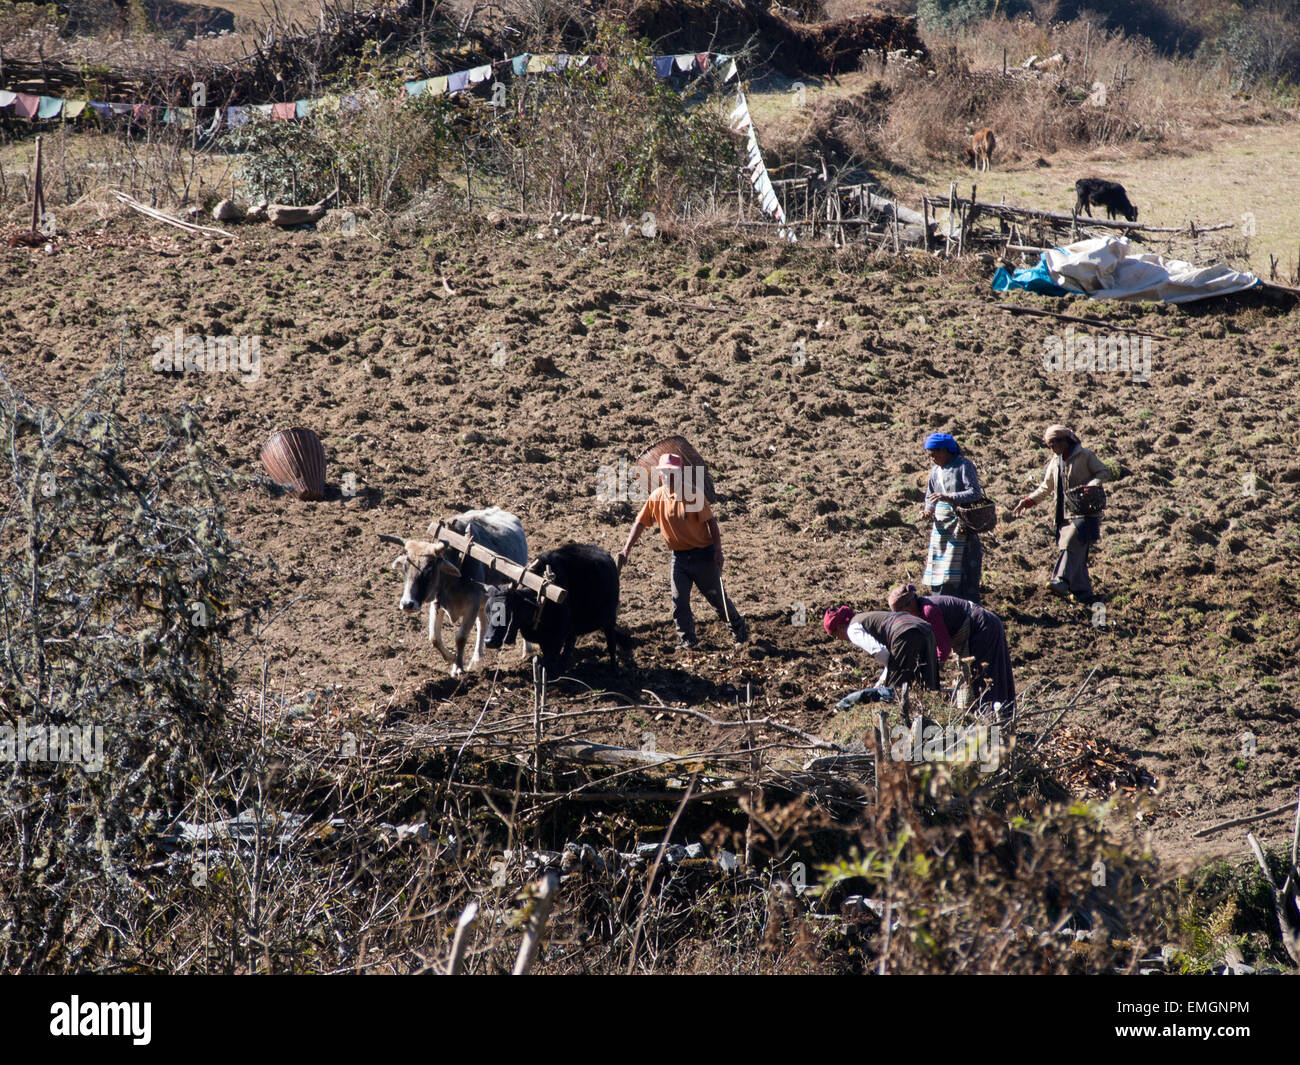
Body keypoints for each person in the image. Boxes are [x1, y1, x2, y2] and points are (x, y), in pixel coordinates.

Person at [618, 453, 748, 649]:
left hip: (702, 554)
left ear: (679, 474)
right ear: (660, 474)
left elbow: (711, 523)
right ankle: (687, 639)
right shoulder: (656, 497)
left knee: (716, 597)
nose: (668, 476)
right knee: (679, 600)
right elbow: (640, 523)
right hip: (678, 558)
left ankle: (738, 629)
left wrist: (718, 551)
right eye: (664, 473)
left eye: (672, 473)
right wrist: (626, 549)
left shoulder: (693, 494)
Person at [1011, 425, 1110, 602]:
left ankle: (1061, 580)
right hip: (1064, 512)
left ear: (1064, 441)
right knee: (1077, 552)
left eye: (1053, 444)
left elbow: (1103, 471)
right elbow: (1046, 487)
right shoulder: (1055, 462)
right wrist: (1028, 501)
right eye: (1049, 446)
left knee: (1071, 542)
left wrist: (1092, 485)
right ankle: (1083, 593)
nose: (1052, 449)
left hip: (1085, 511)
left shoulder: (1085, 456)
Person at [887, 583, 1015, 716]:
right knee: (970, 676)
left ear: (909, 605)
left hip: (984, 627)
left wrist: (932, 671)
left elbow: (943, 647)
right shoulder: (919, 615)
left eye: (900, 613)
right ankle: (978, 714)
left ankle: (992, 716)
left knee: (984, 675)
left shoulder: (929, 611)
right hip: (976, 629)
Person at [920, 432, 984, 604]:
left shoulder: (964, 465)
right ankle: (942, 603)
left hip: (961, 526)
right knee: (941, 567)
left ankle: (967, 606)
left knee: (963, 567)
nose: (932, 459)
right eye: (930, 455)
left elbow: (974, 493)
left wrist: (949, 497)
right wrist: (928, 510)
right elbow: (930, 495)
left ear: (946, 451)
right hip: (941, 529)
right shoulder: (935, 472)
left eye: (934, 454)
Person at [823, 605, 940, 691]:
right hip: (925, 629)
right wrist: (882, 679)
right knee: (927, 686)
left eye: (835, 635)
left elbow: (879, 652)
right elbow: (890, 657)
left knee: (895, 690)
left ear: (839, 627)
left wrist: (888, 678)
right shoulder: (865, 618)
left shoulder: (852, 630)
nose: (838, 639)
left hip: (904, 634)